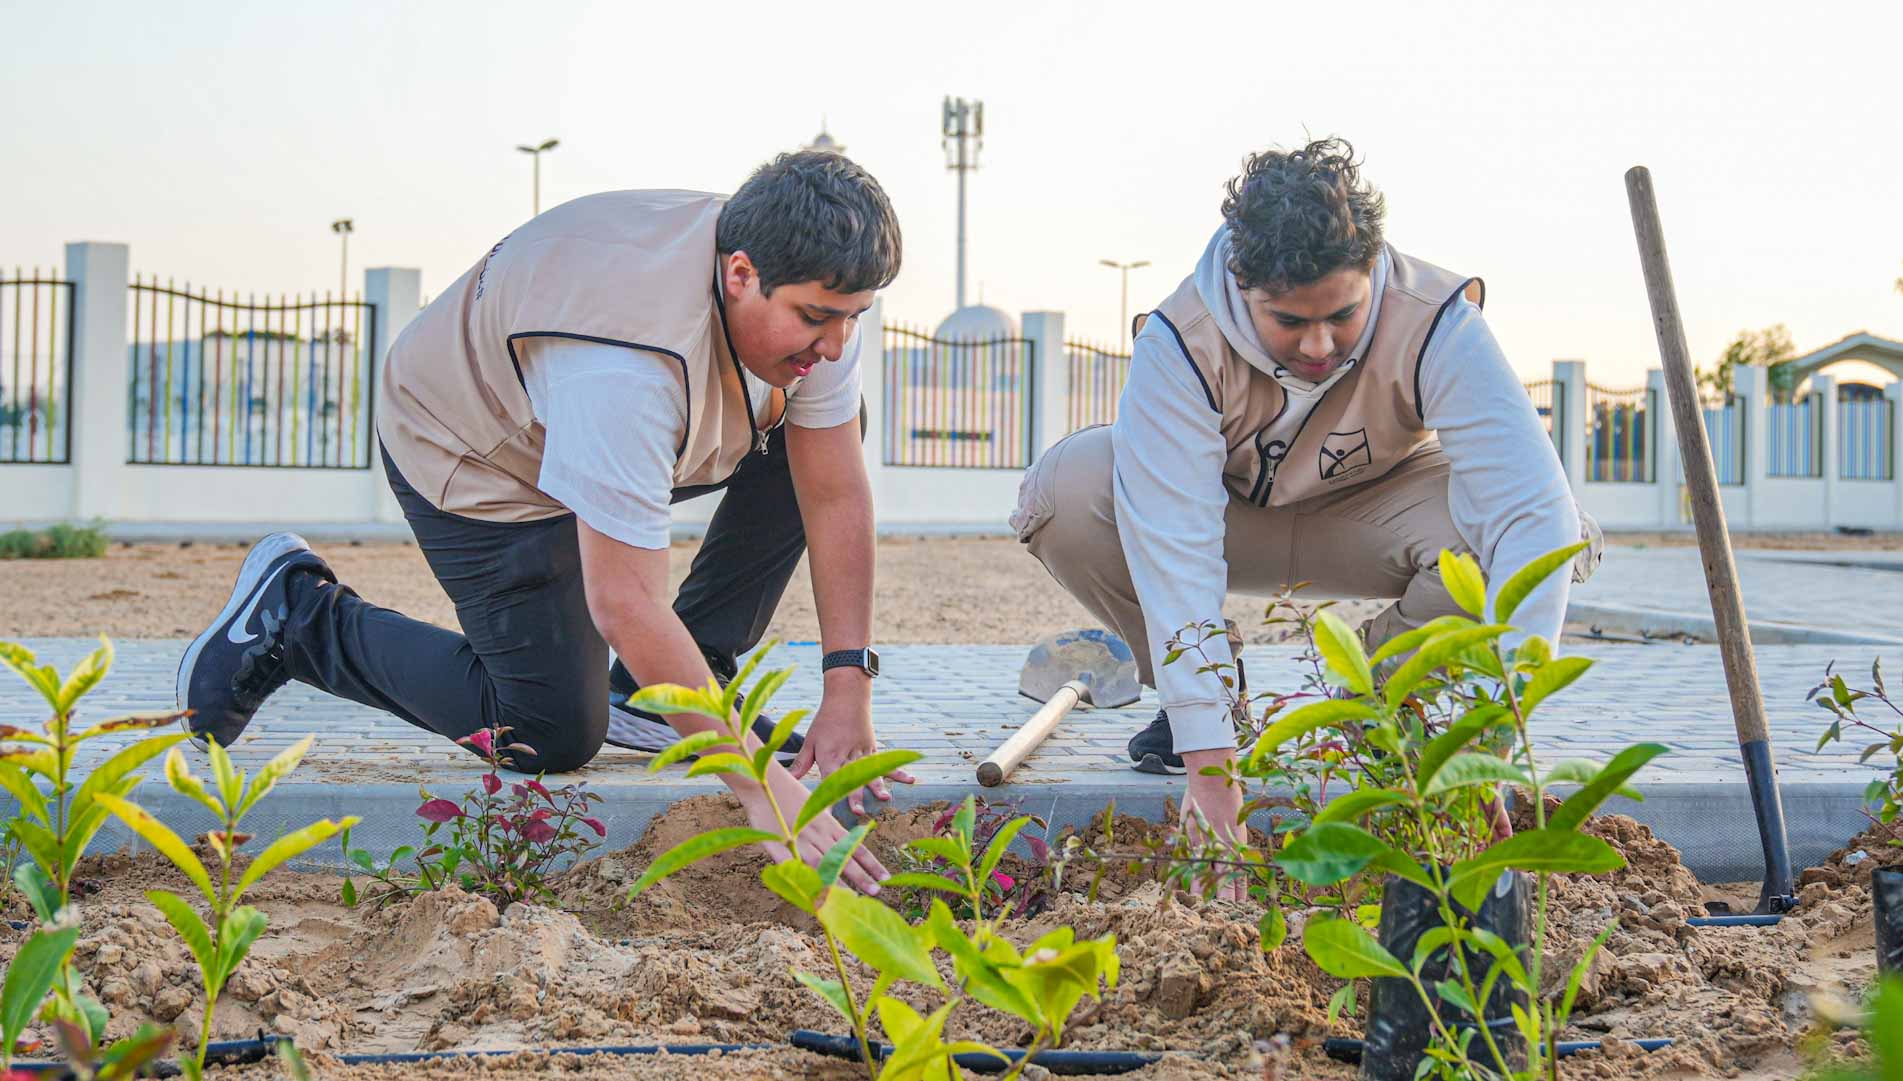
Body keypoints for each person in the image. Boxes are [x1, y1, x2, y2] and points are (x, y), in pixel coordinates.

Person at [175, 150, 912, 891]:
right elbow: (626, 602)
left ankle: (672, 687)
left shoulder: (806, 278)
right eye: (817, 318)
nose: (837, 344)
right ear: (740, 274)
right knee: (548, 731)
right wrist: (761, 788)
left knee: (819, 428)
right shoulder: (623, 364)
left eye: (854, 318)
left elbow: (835, 493)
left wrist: (847, 691)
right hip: (473, 452)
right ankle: (300, 616)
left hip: (597, 416)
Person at [1011, 138, 1597, 890]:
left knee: (1541, 533)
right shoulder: (1179, 339)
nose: (1319, 344)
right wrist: (1211, 765)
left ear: (1374, 273)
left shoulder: (1436, 320)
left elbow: (1531, 517)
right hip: (1230, 518)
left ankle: (1380, 704)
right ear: (1241, 285)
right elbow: (1176, 544)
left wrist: (1485, 740)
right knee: (1069, 487)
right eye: (1289, 321)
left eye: (1344, 315)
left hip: (1376, 511)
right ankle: (1219, 698)